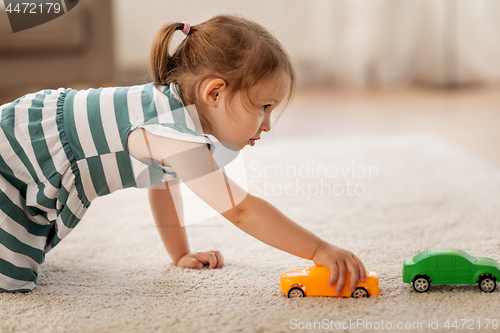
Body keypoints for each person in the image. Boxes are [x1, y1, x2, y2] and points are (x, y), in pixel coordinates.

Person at [0, 14, 365, 294]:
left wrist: (179, 254)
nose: (267, 125)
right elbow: (239, 209)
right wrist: (318, 250)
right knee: (10, 279)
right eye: (263, 107)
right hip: (18, 152)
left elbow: (161, 185)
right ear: (215, 93)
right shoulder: (175, 136)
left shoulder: (175, 117)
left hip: (34, 145)